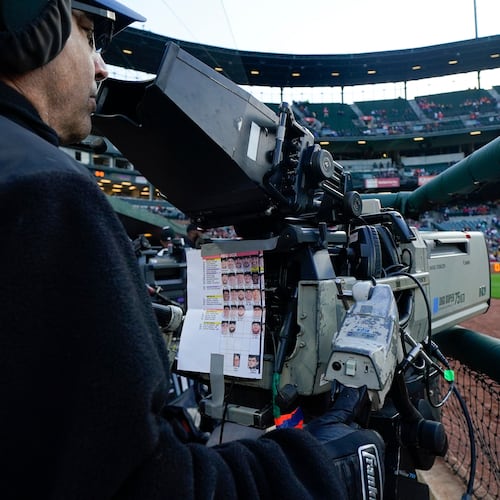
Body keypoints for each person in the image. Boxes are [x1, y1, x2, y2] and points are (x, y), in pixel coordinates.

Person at [0, 1, 384, 498]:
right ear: (32, 23)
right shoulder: (46, 194)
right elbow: (145, 486)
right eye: (90, 34)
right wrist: (324, 468)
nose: (100, 65)